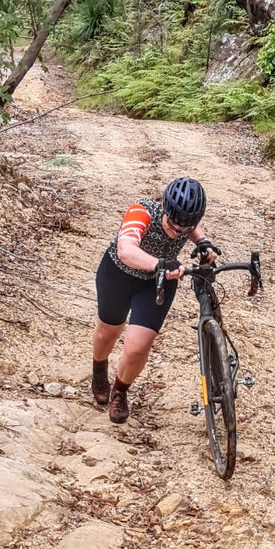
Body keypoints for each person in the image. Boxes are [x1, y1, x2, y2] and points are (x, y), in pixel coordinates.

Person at [92, 177, 220, 423]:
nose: (177, 233)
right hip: (118, 275)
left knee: (138, 345)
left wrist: (203, 242)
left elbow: (191, 227)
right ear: (165, 209)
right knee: (108, 331)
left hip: (156, 284)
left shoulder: (185, 222)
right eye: (173, 226)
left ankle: (120, 391)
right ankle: (99, 369)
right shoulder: (142, 211)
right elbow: (126, 250)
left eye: (185, 228)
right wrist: (158, 263)